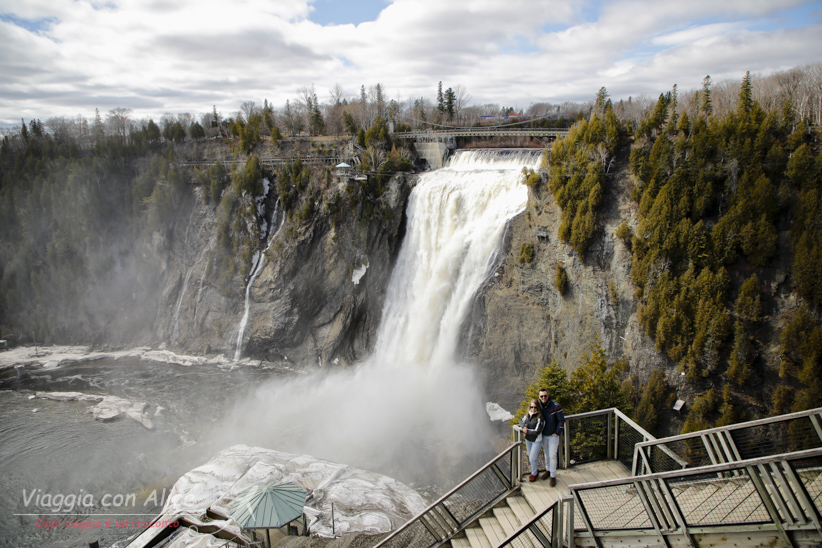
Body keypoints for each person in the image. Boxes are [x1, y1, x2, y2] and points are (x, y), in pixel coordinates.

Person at [538, 388, 565, 486]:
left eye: (545, 396)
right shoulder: (538, 406)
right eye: (541, 396)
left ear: (548, 396)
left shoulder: (555, 406)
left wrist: (557, 432)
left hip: (553, 435)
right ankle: (548, 470)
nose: (543, 398)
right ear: (539, 397)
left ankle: (553, 476)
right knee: (546, 453)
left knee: (552, 455)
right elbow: (529, 415)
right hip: (544, 435)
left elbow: (561, 420)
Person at [517, 399, 545, 482]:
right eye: (532, 407)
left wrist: (525, 431)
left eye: (535, 407)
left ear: (538, 408)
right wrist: (523, 427)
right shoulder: (528, 415)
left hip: (536, 440)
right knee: (530, 456)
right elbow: (520, 420)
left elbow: (537, 431)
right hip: (528, 440)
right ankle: (534, 472)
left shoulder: (540, 418)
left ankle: (534, 473)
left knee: (532, 457)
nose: (533, 409)